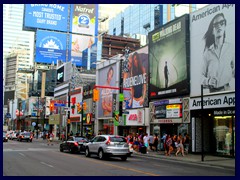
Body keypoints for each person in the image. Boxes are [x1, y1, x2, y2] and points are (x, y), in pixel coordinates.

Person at [201, 13, 235, 93]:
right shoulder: (207, 53)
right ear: (212, 31)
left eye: (222, 23)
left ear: (225, 26)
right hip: (212, 94)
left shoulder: (231, 48)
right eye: (215, 25)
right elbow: (200, 76)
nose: (219, 26)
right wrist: (208, 81)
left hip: (228, 91)